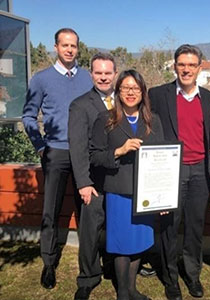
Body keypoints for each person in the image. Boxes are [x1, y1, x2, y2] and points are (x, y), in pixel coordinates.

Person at [22, 28, 92, 289]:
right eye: (65, 45)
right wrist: (41, 147)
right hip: (55, 153)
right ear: (56, 47)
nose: (70, 50)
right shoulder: (41, 79)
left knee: (88, 209)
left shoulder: (87, 78)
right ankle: (49, 263)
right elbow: (28, 116)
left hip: (84, 153)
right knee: (50, 210)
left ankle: (90, 262)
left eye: (74, 45)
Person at [148, 44, 210, 300]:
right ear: (174, 66)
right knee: (169, 225)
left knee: (195, 227)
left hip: (200, 171)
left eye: (191, 65)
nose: (186, 69)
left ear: (200, 68)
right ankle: (170, 278)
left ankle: (193, 275)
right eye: (181, 64)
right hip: (169, 171)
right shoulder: (157, 95)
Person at [90, 70, 164, 300]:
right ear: (118, 91)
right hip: (119, 192)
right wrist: (119, 151)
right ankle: (123, 292)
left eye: (135, 88)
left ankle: (132, 289)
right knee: (122, 244)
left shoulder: (154, 120)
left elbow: (162, 159)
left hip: (146, 193)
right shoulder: (106, 119)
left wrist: (163, 196)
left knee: (138, 241)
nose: (131, 93)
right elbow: (94, 156)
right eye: (125, 88)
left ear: (143, 92)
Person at [68, 53, 117, 300]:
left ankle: (113, 268)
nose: (103, 77)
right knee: (90, 230)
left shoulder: (125, 101)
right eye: (98, 73)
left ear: (115, 74)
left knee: (116, 227)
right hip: (94, 181)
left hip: (120, 180)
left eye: (108, 73)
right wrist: (84, 183)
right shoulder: (80, 105)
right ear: (91, 75)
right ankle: (88, 277)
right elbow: (77, 148)